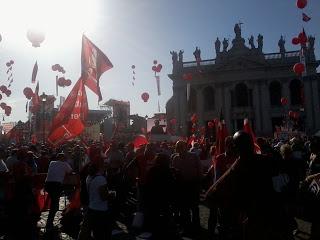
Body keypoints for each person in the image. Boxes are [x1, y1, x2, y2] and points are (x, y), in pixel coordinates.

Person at [206, 131, 292, 240]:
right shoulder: (269, 161)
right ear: (252, 144)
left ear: (235, 148)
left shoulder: (238, 168)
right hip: (273, 220)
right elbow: (285, 186)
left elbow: (210, 195)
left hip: (255, 223)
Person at [171, 140, 201, 235]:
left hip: (193, 185)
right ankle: (187, 226)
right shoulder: (175, 158)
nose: (180, 148)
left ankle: (196, 226)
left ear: (185, 147)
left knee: (194, 207)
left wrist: (199, 183)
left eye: (181, 146)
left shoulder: (194, 156)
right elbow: (174, 172)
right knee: (184, 208)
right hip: (182, 186)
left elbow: (199, 170)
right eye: (178, 147)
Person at [86, 160, 113, 240]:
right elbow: (104, 197)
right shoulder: (101, 179)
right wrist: (111, 195)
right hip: (100, 210)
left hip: (91, 208)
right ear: (99, 168)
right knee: (102, 234)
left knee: (96, 233)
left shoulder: (88, 177)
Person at [45, 152, 73, 229]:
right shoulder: (64, 164)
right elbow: (70, 171)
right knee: (54, 204)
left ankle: (50, 218)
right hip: (56, 185)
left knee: (54, 202)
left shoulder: (52, 162)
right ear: (63, 158)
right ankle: (49, 222)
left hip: (48, 184)